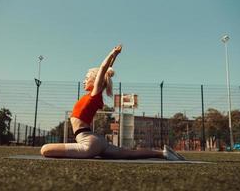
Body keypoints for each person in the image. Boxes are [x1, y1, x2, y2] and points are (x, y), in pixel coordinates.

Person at [40, 45, 185, 160]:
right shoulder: (92, 95)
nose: (84, 80)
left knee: (44, 149)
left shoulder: (94, 95)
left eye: (86, 77)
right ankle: (163, 154)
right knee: (128, 154)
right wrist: (113, 59)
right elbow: (106, 71)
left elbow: (103, 69)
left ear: (95, 80)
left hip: (88, 142)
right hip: (97, 141)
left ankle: (163, 154)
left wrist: (112, 53)